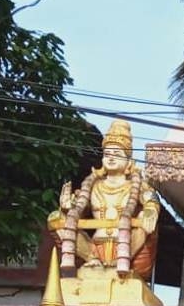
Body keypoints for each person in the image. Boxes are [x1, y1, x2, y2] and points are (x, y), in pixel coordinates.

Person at [48, 119, 159, 280]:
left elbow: (151, 198)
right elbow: (78, 209)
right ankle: (92, 260)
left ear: (128, 159)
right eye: (107, 154)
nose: (111, 158)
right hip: (94, 248)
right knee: (55, 218)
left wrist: (151, 208)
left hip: (128, 246)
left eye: (117, 154)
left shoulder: (136, 185)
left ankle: (121, 263)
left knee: (146, 218)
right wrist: (66, 208)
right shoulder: (92, 186)